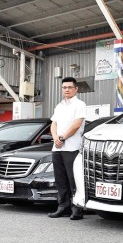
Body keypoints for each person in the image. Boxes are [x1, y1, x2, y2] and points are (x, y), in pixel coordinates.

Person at [49, 76, 87, 219]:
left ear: (76, 89)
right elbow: (53, 124)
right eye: (64, 87)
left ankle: (77, 208)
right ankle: (63, 206)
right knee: (60, 179)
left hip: (72, 148)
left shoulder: (80, 104)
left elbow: (76, 125)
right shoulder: (59, 106)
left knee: (74, 179)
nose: (67, 89)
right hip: (57, 148)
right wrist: (55, 138)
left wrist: (62, 137)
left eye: (70, 87)